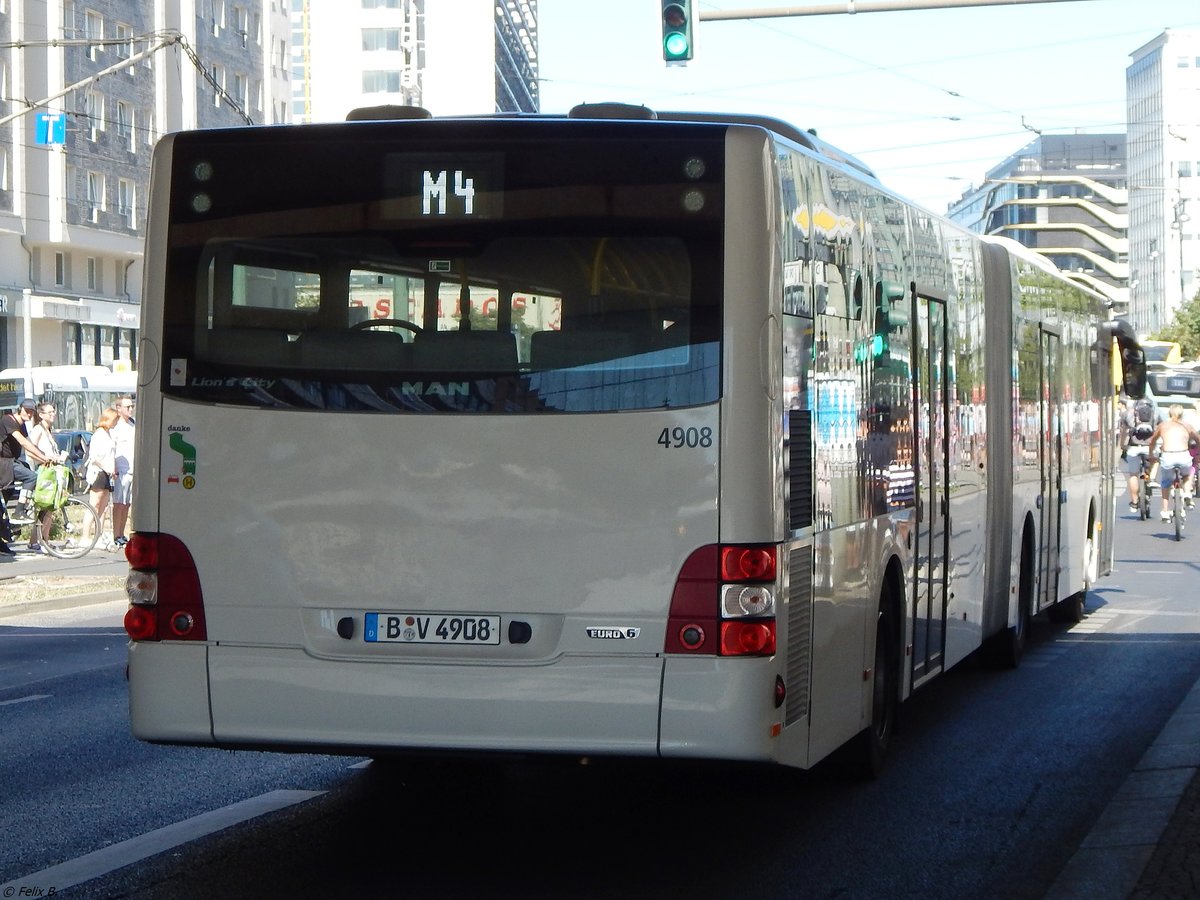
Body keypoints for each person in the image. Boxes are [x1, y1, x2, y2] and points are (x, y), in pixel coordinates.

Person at [0, 401, 59, 555]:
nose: (29, 414)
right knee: (31, 476)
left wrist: (44, 458)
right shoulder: (8, 420)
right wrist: (44, 457)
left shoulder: (23, 425)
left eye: (32, 411)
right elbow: (23, 442)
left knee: (2, 507)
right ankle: (19, 512)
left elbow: (30, 449)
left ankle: (4, 538)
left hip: (11, 463)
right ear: (20, 409)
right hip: (4, 463)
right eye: (27, 410)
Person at [25, 402, 67, 554]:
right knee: (46, 505)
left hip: (53, 469)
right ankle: (43, 541)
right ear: (41, 414)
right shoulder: (38, 429)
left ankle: (38, 541)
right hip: (44, 470)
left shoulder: (49, 430)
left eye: (54, 412)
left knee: (48, 507)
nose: (53, 415)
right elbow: (29, 450)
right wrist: (44, 458)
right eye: (49, 412)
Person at [1147, 404, 1199, 521]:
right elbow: (1197, 439)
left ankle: (1165, 512)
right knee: (1188, 474)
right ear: (1182, 414)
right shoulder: (1187, 426)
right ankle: (1186, 493)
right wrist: (1197, 454)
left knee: (1165, 483)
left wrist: (1151, 454)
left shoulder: (1163, 425)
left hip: (1168, 456)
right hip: (1183, 455)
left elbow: (1152, 441)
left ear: (1169, 414)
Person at [86, 407, 119, 546]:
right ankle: (85, 535)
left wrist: (113, 469)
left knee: (104, 505)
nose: (115, 422)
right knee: (94, 504)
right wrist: (108, 468)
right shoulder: (99, 434)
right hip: (98, 471)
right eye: (114, 420)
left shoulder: (108, 434)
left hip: (108, 472)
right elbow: (95, 457)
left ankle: (98, 534)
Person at [1121, 396, 1161, 512]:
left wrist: (1122, 445)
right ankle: (1152, 479)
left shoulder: (1129, 414)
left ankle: (1134, 503)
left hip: (1134, 447)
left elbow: (1124, 430)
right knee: (1155, 460)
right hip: (1149, 447)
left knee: (1133, 475)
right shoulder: (1155, 413)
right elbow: (1160, 429)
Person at [111, 395, 135, 549]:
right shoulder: (115, 428)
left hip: (133, 469)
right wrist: (113, 468)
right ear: (119, 409)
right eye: (127, 407)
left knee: (127, 504)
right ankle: (115, 534)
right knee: (119, 503)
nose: (131, 409)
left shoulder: (133, 424)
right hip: (121, 470)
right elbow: (112, 450)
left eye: (132, 406)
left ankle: (122, 533)